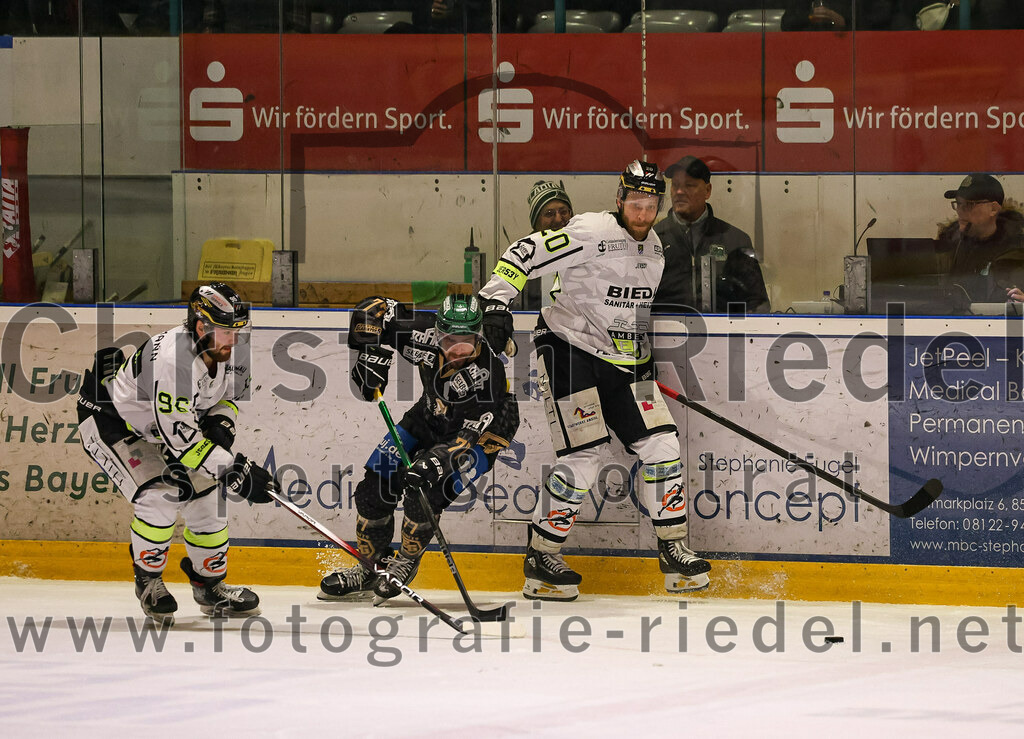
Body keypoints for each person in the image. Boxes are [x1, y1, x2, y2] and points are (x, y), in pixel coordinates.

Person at [476, 159, 711, 602]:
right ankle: (541, 554)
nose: (642, 212)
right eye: (635, 203)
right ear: (619, 200)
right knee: (586, 453)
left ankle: (673, 548)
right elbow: (524, 252)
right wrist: (495, 303)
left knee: (661, 441)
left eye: (650, 204)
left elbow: (634, 317)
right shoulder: (589, 231)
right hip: (566, 348)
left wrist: (643, 374)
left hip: (624, 364)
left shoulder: (656, 250)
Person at [76, 283, 279, 627]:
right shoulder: (175, 361)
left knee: (208, 499)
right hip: (113, 421)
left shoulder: (232, 350)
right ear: (201, 327)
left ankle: (210, 586)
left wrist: (220, 425)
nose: (235, 339)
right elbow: (182, 444)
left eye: (238, 331)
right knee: (161, 494)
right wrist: (236, 470)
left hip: (166, 426)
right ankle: (148, 582)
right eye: (226, 332)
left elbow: (228, 399)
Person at [318, 293, 519, 603]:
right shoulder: (420, 333)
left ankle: (406, 562)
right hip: (428, 415)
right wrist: (366, 353)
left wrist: (430, 465)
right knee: (373, 488)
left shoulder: (489, 378)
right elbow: (372, 311)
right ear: (437, 332)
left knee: (422, 493)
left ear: (480, 337)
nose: (457, 349)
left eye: (467, 341)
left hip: (482, 435)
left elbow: (462, 444)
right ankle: (370, 566)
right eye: (449, 339)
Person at [652, 155, 769, 314]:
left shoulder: (735, 240)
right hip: (665, 336)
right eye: (675, 185)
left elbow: (757, 305)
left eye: (689, 185)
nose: (679, 192)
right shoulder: (653, 239)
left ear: (707, 191)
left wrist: (734, 332)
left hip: (723, 336)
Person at [939, 173, 1024, 302]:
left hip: (1003, 320)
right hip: (957, 319)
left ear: (993, 209)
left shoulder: (1018, 249)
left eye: (968, 205)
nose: (959, 211)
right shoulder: (953, 245)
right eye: (958, 204)